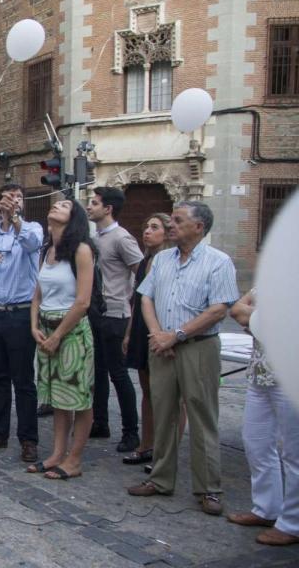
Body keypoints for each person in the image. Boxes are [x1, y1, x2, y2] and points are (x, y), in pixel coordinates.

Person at [127, 201, 239, 517]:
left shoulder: (219, 262)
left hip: (198, 347)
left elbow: (219, 309)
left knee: (202, 416)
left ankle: (208, 489)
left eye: (178, 220)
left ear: (198, 227)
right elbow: (146, 297)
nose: (171, 225)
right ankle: (160, 478)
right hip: (162, 345)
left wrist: (174, 335)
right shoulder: (162, 259)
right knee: (163, 413)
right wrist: (157, 334)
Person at [0, 183, 44, 464]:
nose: (13, 201)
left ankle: (28, 439)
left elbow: (32, 245)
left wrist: (14, 219)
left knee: (23, 380)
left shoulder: (32, 228)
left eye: (18, 197)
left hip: (19, 311)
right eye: (8, 197)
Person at [26, 199, 95, 480]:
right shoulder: (47, 251)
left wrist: (57, 335)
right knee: (57, 398)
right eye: (55, 204)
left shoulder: (81, 250)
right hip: (45, 329)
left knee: (79, 398)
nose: (56, 205)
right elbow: (37, 295)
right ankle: (56, 453)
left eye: (64, 205)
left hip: (72, 332)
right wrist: (34, 327)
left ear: (74, 217)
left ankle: (74, 459)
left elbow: (82, 302)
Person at [228, 291, 299, 546]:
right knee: (256, 441)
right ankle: (266, 509)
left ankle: (293, 523)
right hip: (261, 370)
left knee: (294, 453)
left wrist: (259, 320)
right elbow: (237, 309)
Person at [122, 214, 183, 467]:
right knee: (147, 392)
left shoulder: (170, 262)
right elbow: (137, 300)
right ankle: (146, 445)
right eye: (146, 226)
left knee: (171, 396)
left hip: (163, 329)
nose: (147, 231)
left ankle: (166, 452)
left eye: (154, 228)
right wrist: (128, 333)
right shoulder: (147, 260)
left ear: (167, 233)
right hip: (140, 328)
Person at [85, 187, 143, 452]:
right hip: (95, 313)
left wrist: (128, 300)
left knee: (118, 374)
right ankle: (100, 422)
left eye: (94, 203)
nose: (89, 206)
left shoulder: (122, 238)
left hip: (115, 314)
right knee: (97, 371)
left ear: (108, 209)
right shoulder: (95, 238)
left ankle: (131, 432)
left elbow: (142, 273)